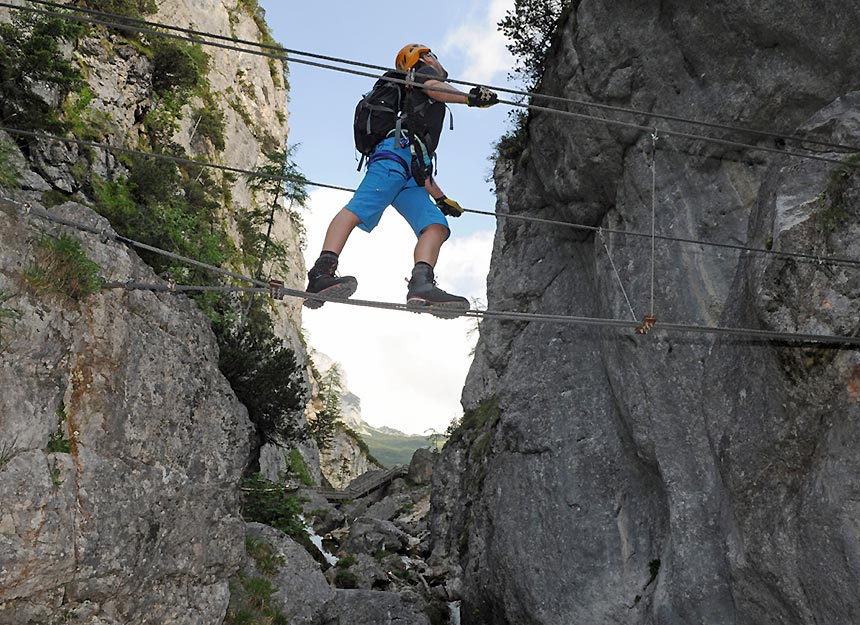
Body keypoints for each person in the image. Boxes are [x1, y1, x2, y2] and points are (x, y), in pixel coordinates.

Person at [303, 43, 499, 314]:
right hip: (393, 156)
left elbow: (419, 159)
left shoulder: (418, 100)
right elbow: (433, 88)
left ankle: (421, 284)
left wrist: (440, 199)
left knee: (436, 225)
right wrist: (469, 98)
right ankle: (320, 273)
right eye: (433, 56)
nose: (437, 61)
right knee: (357, 209)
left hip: (410, 169)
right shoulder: (419, 74)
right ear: (423, 58)